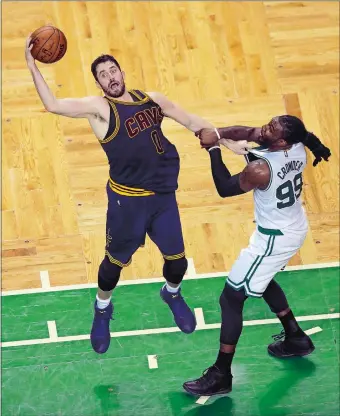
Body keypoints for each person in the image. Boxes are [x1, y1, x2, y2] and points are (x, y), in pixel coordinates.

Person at [25, 37, 248, 354]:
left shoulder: (151, 100)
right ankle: (102, 310)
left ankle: (171, 293)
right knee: (113, 265)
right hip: (126, 202)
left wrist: (225, 139)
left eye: (113, 70)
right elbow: (53, 105)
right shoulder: (100, 109)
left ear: (122, 72)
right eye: (103, 74)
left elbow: (192, 122)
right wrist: (32, 63)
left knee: (178, 262)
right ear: (99, 84)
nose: (110, 77)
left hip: (162, 198)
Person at [183, 115, 331, 396]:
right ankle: (296, 338)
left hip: (273, 240)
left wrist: (214, 149)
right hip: (291, 227)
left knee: (230, 298)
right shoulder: (297, 147)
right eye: (270, 123)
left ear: (282, 141)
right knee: (262, 280)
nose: (265, 128)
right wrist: (218, 131)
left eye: (271, 129)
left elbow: (225, 188)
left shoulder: (261, 170)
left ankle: (221, 374)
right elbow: (250, 131)